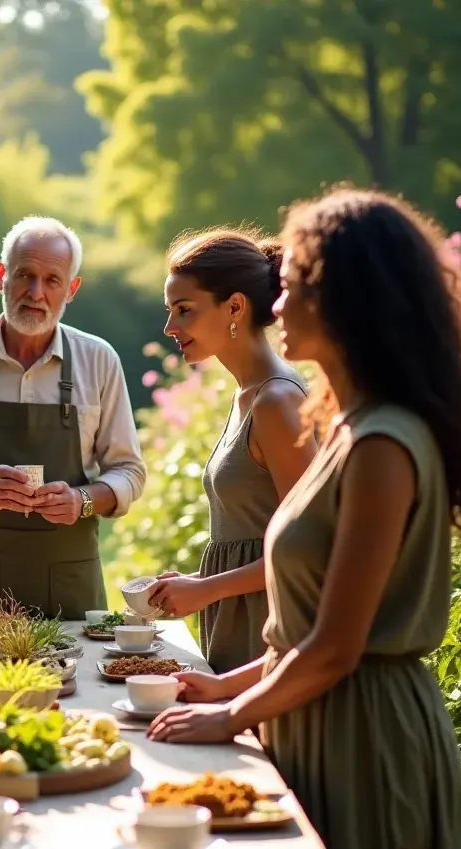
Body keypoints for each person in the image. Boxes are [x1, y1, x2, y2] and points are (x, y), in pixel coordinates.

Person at [149, 188, 461, 849]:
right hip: (317, 718)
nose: (279, 299)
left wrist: (228, 719)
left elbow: (339, 646)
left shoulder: (382, 443)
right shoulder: (349, 428)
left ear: (347, 299)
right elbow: (308, 629)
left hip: (367, 734)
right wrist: (227, 685)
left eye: (296, 281)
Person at [0, 216, 146, 619]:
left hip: (70, 586)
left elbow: (128, 472)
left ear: (72, 289)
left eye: (52, 280)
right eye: (24, 275)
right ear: (1, 276)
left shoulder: (98, 360)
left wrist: (82, 500)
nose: (36, 293)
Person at [147, 231, 317, 673]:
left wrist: (206, 589)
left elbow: (311, 547)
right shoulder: (248, 394)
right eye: (170, 311)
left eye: (184, 311)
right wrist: (196, 583)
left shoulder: (277, 402)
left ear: (235, 307)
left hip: (269, 632)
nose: (170, 328)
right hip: (236, 622)